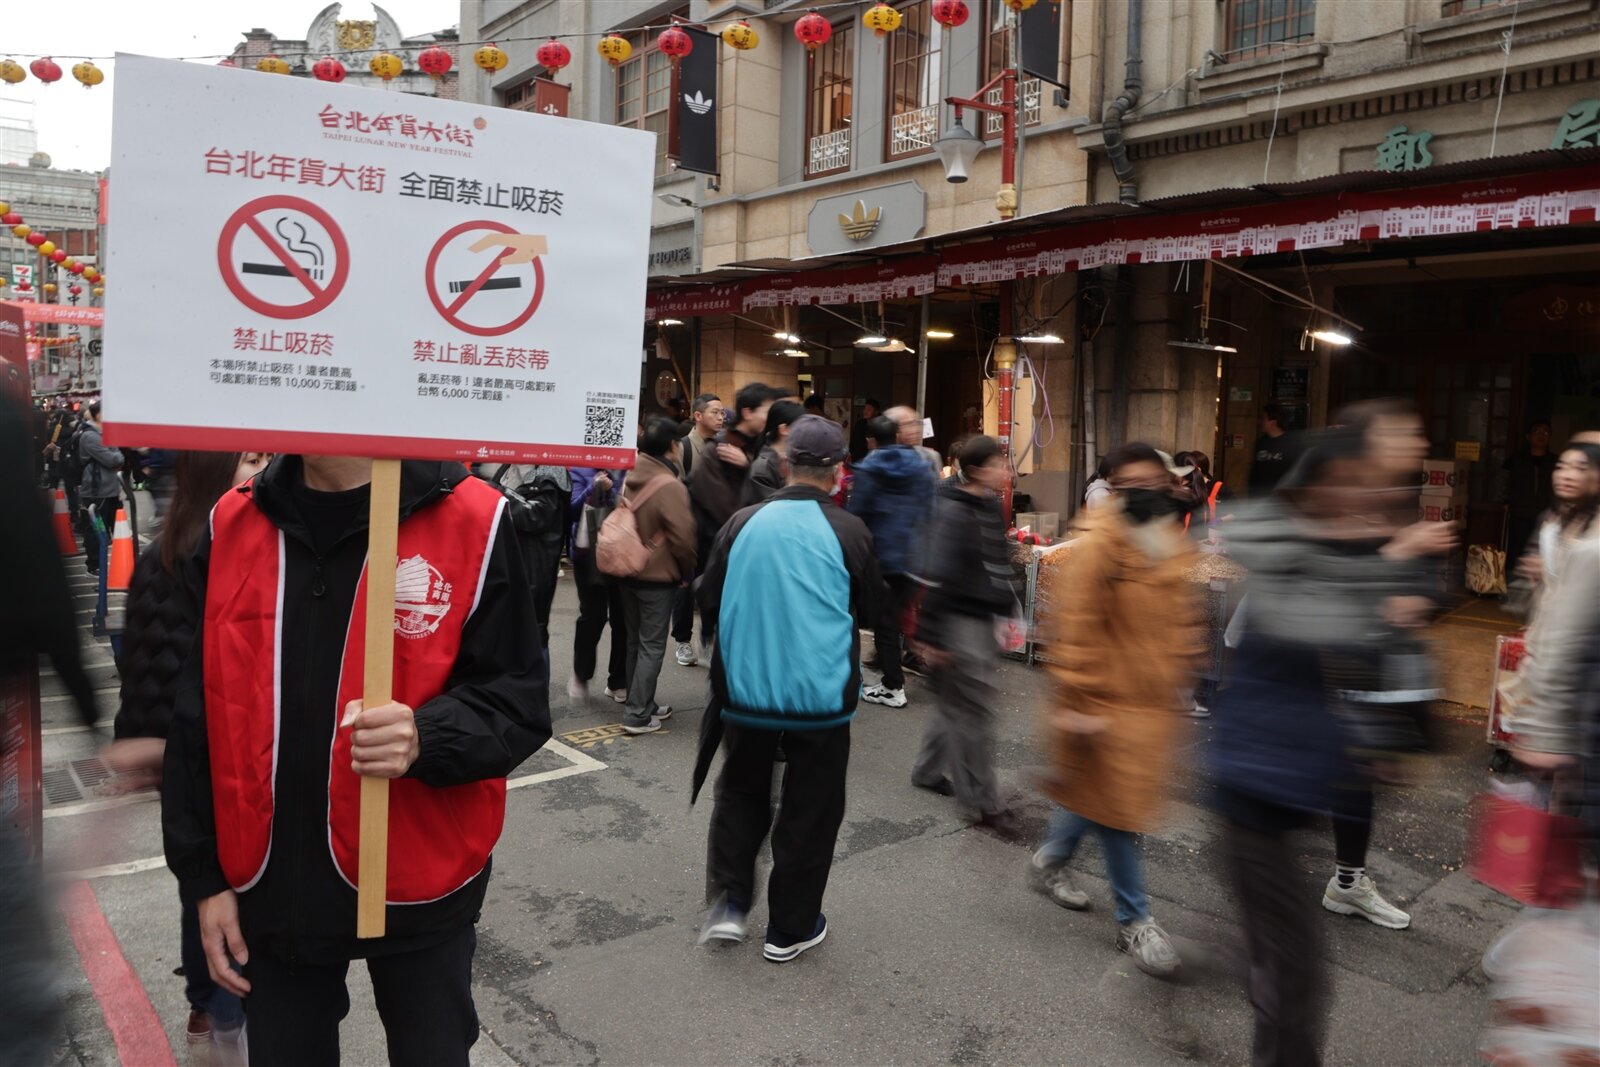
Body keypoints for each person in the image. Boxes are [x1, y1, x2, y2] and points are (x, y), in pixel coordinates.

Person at [162, 454, 552, 1066]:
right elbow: (195, 715)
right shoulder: (232, 521)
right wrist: (204, 879)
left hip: (421, 883)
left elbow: (518, 699)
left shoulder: (475, 518)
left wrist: (427, 736)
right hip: (271, 886)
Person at [1210, 418, 1453, 1065]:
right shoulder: (1280, 549)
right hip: (1253, 787)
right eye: (1347, 483)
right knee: (1298, 977)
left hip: (1298, 785)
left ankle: (1224, 958)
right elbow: (1316, 616)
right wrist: (1391, 564)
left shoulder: (1339, 547)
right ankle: (1216, 962)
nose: (1359, 497)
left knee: (1281, 960)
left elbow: (1383, 634)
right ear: (1309, 486)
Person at [693, 415, 880, 962]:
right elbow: (873, 607)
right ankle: (790, 928)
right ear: (839, 470)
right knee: (811, 807)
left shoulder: (743, 521)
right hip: (820, 696)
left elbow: (707, 596)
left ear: (783, 463)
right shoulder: (850, 530)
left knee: (741, 790)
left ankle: (730, 905)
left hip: (746, 690)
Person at [107, 450, 268, 1061]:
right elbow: (152, 665)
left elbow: (138, 665)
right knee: (223, 888)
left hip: (194, 760)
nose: (264, 469)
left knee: (201, 884)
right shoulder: (215, 553)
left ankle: (208, 1005)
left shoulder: (163, 551)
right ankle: (225, 1014)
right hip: (212, 759)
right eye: (252, 459)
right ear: (214, 472)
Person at [1026, 442, 1202, 977]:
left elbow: (1176, 621)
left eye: (1158, 480)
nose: (1151, 490)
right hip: (1103, 705)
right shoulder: (1100, 544)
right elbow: (1076, 629)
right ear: (1118, 487)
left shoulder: (1165, 540)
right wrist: (1079, 702)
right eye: (1136, 482)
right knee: (1117, 814)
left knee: (1097, 798)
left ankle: (1051, 859)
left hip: (1147, 708)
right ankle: (1135, 921)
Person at [911, 436, 1022, 834]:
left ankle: (927, 770)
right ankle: (983, 801)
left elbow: (996, 562)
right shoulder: (954, 513)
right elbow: (938, 577)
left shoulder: (988, 504)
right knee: (972, 715)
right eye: (998, 464)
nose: (1005, 471)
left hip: (982, 621)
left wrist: (1007, 609)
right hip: (959, 625)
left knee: (955, 704)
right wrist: (932, 637)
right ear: (975, 470)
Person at [1507, 441, 1600, 770]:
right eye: (1562, 466)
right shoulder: (1550, 523)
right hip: (1554, 659)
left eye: (1580, 467)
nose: (1567, 475)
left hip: (1580, 674)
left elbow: (1569, 631)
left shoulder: (1591, 544)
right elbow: (1524, 599)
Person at [617, 417, 698, 735]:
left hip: (627, 567)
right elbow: (683, 537)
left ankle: (640, 702)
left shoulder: (629, 474)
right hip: (657, 575)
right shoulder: (669, 484)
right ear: (672, 447)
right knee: (651, 645)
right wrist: (687, 571)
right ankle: (637, 714)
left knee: (634, 641)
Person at [849, 414, 936, 708]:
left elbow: (858, 514)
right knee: (895, 619)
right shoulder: (922, 465)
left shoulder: (868, 468)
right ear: (896, 435)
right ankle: (893, 679)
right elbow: (930, 509)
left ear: (870, 440)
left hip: (881, 557)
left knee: (884, 624)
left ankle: (892, 686)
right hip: (914, 556)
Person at [688, 382, 781, 576]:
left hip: (754, 546)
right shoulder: (717, 449)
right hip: (722, 551)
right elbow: (724, 509)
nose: (771, 418)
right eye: (766, 412)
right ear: (747, 413)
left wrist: (749, 466)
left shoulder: (763, 446)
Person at [567, 467, 630, 704]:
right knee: (592, 616)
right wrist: (593, 489)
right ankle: (581, 673)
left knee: (623, 618)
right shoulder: (579, 469)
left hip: (622, 551)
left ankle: (618, 680)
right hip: (588, 554)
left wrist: (615, 492)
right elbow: (571, 511)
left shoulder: (629, 468)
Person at [77, 400, 125, 574]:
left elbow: (118, 457)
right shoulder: (90, 436)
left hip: (109, 490)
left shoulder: (103, 434)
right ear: (99, 415)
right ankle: (94, 565)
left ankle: (101, 563)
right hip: (96, 492)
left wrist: (115, 452)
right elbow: (113, 459)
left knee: (109, 528)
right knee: (96, 529)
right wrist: (115, 452)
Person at [1503, 420, 1556, 562]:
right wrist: (1505, 501)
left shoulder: (1555, 462)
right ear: (1528, 436)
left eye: (1546, 433)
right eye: (1537, 431)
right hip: (1519, 512)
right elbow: (1503, 482)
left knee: (1542, 553)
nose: (1541, 435)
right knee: (1515, 552)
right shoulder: (1516, 459)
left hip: (1545, 514)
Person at [742, 399, 806, 506]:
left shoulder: (792, 459)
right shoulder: (762, 469)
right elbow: (774, 508)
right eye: (802, 427)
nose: (806, 432)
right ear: (784, 429)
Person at [1248, 402, 1300, 497]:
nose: (1259, 422)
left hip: (1281, 498)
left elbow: (1296, 473)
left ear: (1273, 422)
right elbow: (1255, 472)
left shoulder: (1291, 443)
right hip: (1260, 497)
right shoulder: (1261, 443)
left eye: (1263, 419)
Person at [849, 397, 882, 463]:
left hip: (872, 460)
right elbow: (853, 440)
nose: (865, 412)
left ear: (876, 412)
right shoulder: (859, 423)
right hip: (857, 459)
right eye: (864, 409)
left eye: (869, 410)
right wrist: (851, 453)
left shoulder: (880, 425)